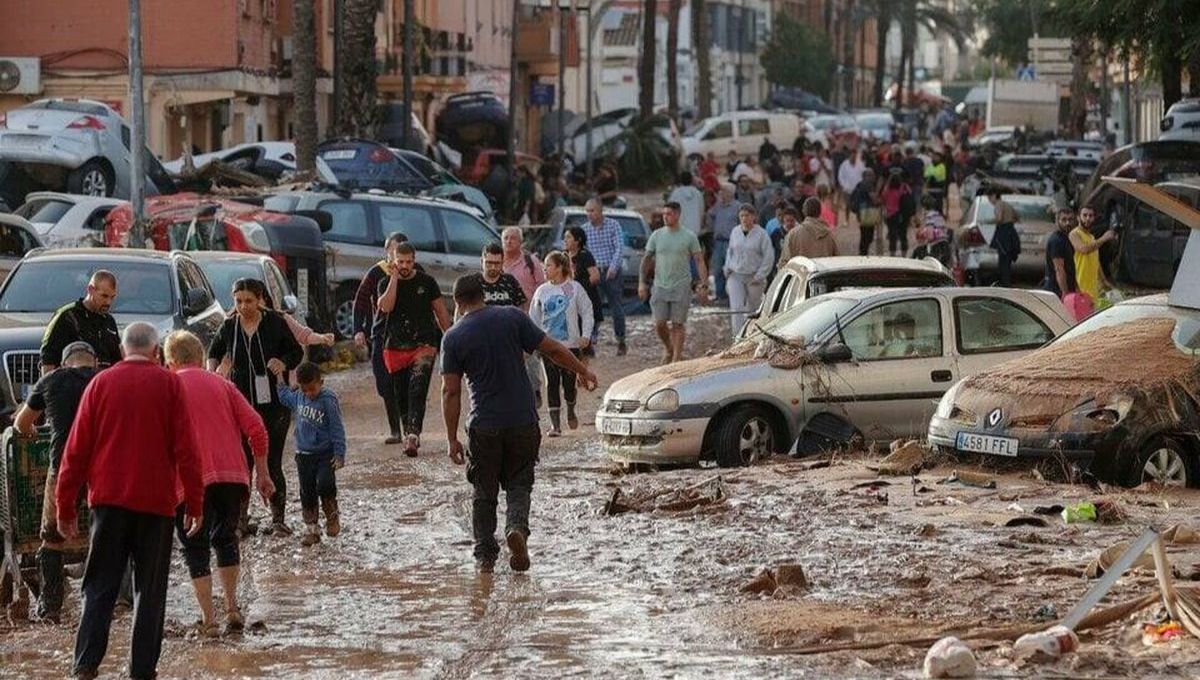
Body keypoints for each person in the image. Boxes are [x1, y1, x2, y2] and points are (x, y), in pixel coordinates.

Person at [56, 322, 203, 680]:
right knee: (149, 592)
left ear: (122, 350)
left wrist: (64, 505)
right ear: (156, 353)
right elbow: (187, 450)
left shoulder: (100, 384)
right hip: (155, 506)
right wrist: (195, 504)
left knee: (99, 586)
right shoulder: (169, 384)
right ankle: (142, 671)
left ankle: (85, 666)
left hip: (107, 504)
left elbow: (74, 452)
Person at [441, 274, 598, 573]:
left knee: (483, 493)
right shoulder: (512, 317)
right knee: (519, 485)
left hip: (484, 425)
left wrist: (452, 439)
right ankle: (516, 528)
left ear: (458, 303)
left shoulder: (454, 336)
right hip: (523, 422)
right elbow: (551, 349)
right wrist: (582, 371)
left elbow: (450, 391)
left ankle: (485, 558)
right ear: (483, 295)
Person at [164, 330, 272, 638]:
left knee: (194, 547)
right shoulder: (224, 385)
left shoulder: (169, 387)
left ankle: (209, 620)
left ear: (170, 362)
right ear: (200, 358)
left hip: (188, 481)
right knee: (226, 539)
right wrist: (262, 473)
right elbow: (257, 429)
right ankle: (233, 608)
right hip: (232, 477)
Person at [208, 278, 304, 536]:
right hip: (240, 403)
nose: (243, 306)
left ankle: (278, 519)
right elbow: (213, 351)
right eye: (238, 301)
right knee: (242, 463)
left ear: (260, 299)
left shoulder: (276, 323)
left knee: (272, 461)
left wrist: (283, 363)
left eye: (249, 301)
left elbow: (297, 352)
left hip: (274, 403)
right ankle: (240, 520)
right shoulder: (229, 327)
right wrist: (214, 373)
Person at [13, 341, 98, 623]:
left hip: (63, 465)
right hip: (103, 467)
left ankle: (51, 609)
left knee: (52, 538)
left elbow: (21, 425)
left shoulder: (51, 380)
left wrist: (33, 432)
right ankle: (119, 602)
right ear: (94, 362)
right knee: (109, 533)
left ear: (63, 363)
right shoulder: (104, 379)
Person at [377, 242, 453, 457]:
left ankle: (413, 435)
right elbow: (386, 307)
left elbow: (440, 311)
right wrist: (394, 279)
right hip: (395, 346)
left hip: (424, 343)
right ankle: (408, 431)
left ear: (414, 260)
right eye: (400, 261)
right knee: (401, 393)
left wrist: (450, 337)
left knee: (417, 388)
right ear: (393, 260)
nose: (405, 266)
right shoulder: (385, 282)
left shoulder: (427, 282)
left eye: (409, 261)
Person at [353, 232, 417, 444]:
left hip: (409, 337)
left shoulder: (416, 273)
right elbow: (361, 301)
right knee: (385, 383)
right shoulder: (376, 273)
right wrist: (358, 329)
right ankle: (394, 430)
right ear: (387, 252)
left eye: (400, 251)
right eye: (392, 251)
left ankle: (409, 429)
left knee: (407, 383)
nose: (395, 256)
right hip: (382, 334)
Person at [278, 362, 347, 547]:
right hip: (303, 455)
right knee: (307, 491)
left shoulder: (328, 399)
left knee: (325, 484)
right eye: (304, 389)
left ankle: (332, 516)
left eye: (312, 389)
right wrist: (278, 377)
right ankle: (312, 529)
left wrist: (340, 454)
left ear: (321, 382)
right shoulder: (299, 396)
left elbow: (337, 427)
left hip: (325, 454)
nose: (308, 393)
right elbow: (285, 397)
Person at [529, 251, 594, 436]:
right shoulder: (541, 291)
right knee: (551, 382)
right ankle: (555, 425)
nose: (544, 269)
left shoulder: (574, 288)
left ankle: (571, 408)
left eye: (548, 265)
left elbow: (587, 311)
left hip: (571, 345)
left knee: (568, 383)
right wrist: (533, 341)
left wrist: (586, 335)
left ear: (559, 267)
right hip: (548, 346)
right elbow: (534, 318)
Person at [640, 202, 710, 364]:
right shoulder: (656, 235)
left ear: (678, 215)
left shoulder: (689, 236)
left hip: (682, 285)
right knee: (659, 323)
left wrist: (704, 285)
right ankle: (669, 348)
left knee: (678, 324)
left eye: (669, 214)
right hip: (660, 285)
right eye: (664, 214)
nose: (665, 217)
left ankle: (677, 357)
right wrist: (641, 283)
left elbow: (699, 260)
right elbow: (646, 260)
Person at [501, 226, 551, 403]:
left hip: (528, 317)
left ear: (520, 242)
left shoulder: (531, 262)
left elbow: (543, 288)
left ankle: (534, 391)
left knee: (530, 357)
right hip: (502, 320)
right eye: (506, 238)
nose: (508, 241)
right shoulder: (496, 263)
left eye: (512, 238)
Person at [40, 270, 122, 373]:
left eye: (112, 297)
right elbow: (48, 357)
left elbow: (116, 359)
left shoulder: (109, 321)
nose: (108, 302)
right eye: (104, 296)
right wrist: (49, 386)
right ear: (90, 289)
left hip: (102, 384)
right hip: (72, 384)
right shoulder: (67, 316)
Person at [579, 200, 628, 356]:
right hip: (592, 272)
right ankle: (590, 342)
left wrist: (613, 268)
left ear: (600, 211)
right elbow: (581, 252)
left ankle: (621, 340)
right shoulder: (584, 230)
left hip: (611, 271)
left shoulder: (613, 225)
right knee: (591, 308)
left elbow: (619, 248)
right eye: (587, 211)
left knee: (617, 308)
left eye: (592, 211)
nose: (589, 214)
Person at [724, 204, 774, 337]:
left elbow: (769, 257)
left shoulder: (761, 234)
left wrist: (760, 276)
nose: (744, 219)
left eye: (747, 215)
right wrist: (727, 267)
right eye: (741, 216)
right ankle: (737, 337)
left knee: (753, 309)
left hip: (754, 276)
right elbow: (730, 251)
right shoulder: (735, 231)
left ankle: (752, 335)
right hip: (736, 275)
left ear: (754, 217)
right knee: (736, 308)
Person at [563, 226, 602, 354]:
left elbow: (595, 277)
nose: (565, 240)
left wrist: (578, 287)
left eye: (568, 237)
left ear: (578, 240)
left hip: (587, 301)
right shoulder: (563, 256)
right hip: (568, 303)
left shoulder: (585, 255)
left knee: (585, 341)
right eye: (565, 237)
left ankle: (588, 368)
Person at [1070, 205, 1117, 304]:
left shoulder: (1091, 237)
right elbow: (1084, 249)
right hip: (1079, 285)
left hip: (1093, 287)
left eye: (1091, 216)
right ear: (1078, 217)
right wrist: (1104, 238)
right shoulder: (1074, 234)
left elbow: (1096, 260)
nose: (1088, 218)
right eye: (1085, 215)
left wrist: (1103, 280)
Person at [779, 196, 839, 267]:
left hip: (801, 276)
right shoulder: (828, 234)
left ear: (804, 212)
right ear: (819, 212)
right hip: (823, 275)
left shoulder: (793, 234)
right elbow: (837, 260)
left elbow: (784, 263)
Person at [705, 185, 739, 302]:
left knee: (731, 269)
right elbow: (709, 214)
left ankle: (733, 296)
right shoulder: (718, 206)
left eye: (723, 191)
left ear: (730, 193)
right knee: (717, 269)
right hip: (718, 242)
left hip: (732, 242)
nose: (720, 193)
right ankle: (720, 295)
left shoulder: (737, 207)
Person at [986, 188, 1022, 286]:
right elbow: (1017, 217)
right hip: (1011, 232)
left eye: (989, 198)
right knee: (1007, 261)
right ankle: (1006, 282)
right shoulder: (1007, 204)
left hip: (1004, 233)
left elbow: (999, 219)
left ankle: (1005, 283)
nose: (990, 201)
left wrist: (986, 222)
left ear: (993, 195)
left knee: (1003, 261)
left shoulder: (998, 204)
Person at [478, 242, 528, 308]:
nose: (493, 267)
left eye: (497, 263)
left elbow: (522, 307)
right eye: (489, 263)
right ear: (482, 262)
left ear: (502, 263)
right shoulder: (474, 283)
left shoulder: (510, 281)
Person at [1044, 207, 1079, 299]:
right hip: (1056, 290)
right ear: (1057, 221)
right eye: (1064, 220)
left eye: (1070, 219)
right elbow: (1059, 269)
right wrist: (1065, 292)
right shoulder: (1057, 240)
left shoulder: (1067, 238)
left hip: (1068, 287)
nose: (1067, 223)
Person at [880, 169, 913, 256]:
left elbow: (883, 199)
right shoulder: (904, 188)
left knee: (892, 236)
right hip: (902, 214)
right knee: (903, 235)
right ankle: (904, 254)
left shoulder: (887, 191)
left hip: (890, 215)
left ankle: (892, 254)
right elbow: (910, 197)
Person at [668, 171, 706, 238]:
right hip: (695, 229)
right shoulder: (697, 194)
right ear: (691, 180)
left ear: (680, 180)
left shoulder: (675, 194)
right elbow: (701, 211)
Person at [838, 148, 867, 220]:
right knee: (848, 205)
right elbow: (840, 176)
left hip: (858, 189)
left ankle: (859, 218)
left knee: (858, 204)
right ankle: (846, 219)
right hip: (848, 189)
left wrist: (862, 185)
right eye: (852, 155)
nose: (853, 157)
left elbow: (864, 174)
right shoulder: (844, 164)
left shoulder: (860, 164)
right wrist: (844, 186)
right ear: (849, 155)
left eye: (855, 155)